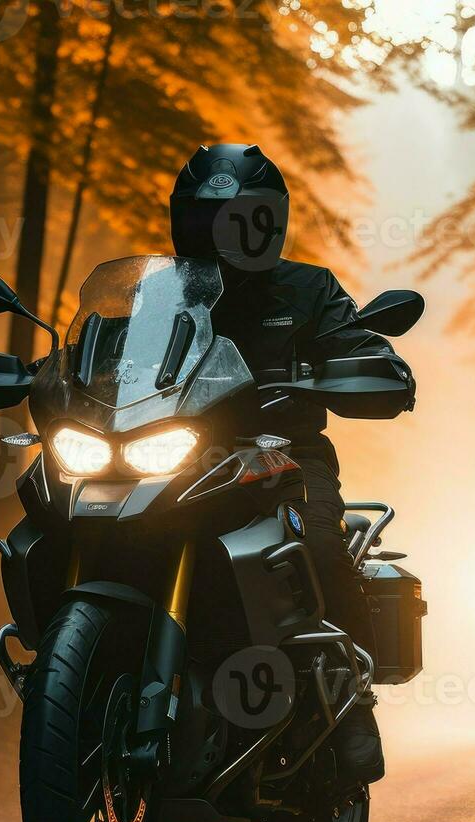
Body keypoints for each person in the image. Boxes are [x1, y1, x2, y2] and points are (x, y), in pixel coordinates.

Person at [170, 143, 401, 785]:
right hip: (175, 458)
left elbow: (362, 348)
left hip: (283, 456)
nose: (219, 232)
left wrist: (367, 371)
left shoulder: (307, 288)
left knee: (317, 546)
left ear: (267, 220)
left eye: (237, 215)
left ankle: (351, 701)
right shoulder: (160, 292)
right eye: (205, 216)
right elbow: (105, 358)